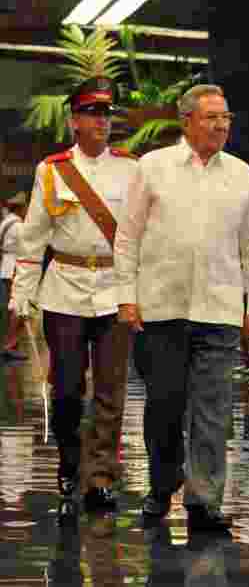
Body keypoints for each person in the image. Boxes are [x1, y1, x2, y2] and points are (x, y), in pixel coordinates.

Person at [115, 83, 249, 533]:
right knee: (164, 406)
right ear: (186, 122)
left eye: (225, 117)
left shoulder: (241, 174)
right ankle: (162, 486)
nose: (221, 125)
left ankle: (204, 500)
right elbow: (127, 238)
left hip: (220, 312)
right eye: (211, 117)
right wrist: (127, 297)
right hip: (161, 310)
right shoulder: (153, 168)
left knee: (215, 410)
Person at [12, 77, 137, 519]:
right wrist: (21, 295)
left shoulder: (131, 169)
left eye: (106, 113)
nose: (101, 121)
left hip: (115, 289)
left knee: (110, 390)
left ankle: (100, 478)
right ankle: (69, 460)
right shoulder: (52, 170)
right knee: (66, 389)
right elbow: (32, 238)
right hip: (63, 289)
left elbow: (139, 236)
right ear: (74, 121)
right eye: (92, 113)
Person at [1, 192, 27, 360]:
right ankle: (9, 345)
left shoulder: (5, 222)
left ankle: (9, 344)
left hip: (5, 266)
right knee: (18, 307)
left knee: (9, 307)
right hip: (14, 267)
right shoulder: (18, 226)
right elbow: (28, 247)